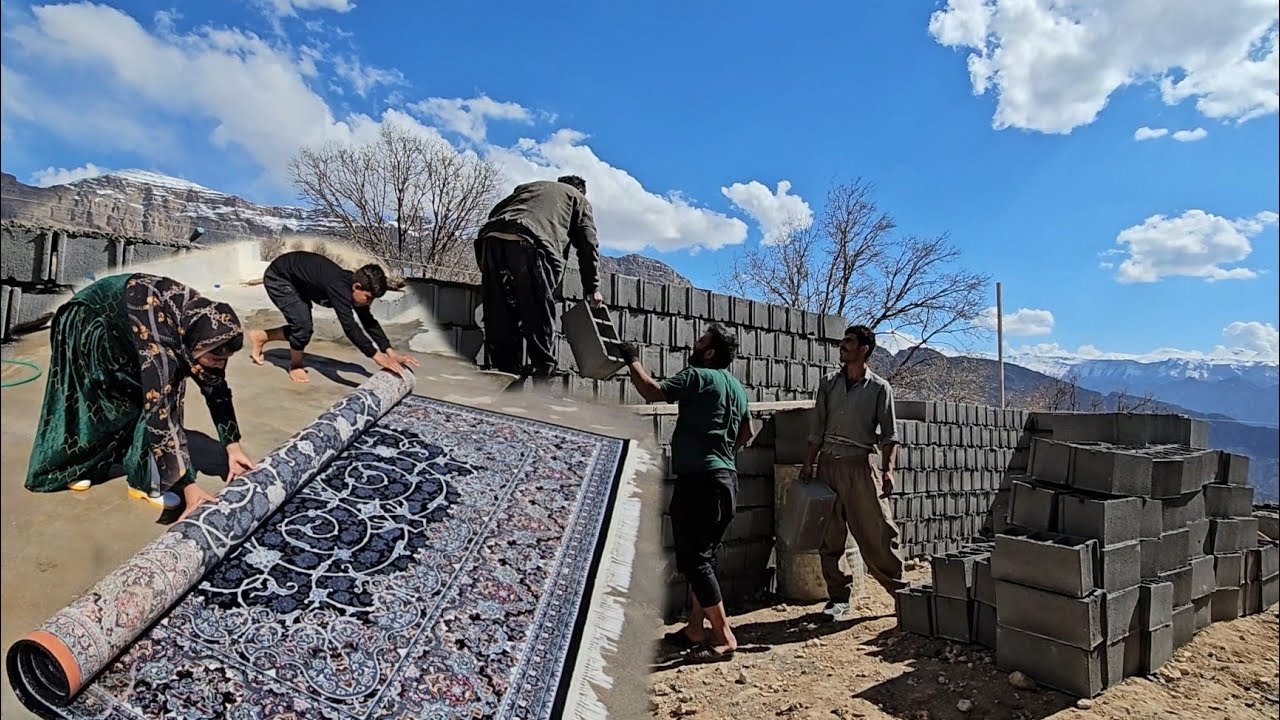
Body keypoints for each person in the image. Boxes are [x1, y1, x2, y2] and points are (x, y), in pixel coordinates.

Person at [26, 273, 257, 521]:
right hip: (90, 318)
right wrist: (189, 485)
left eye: (225, 361)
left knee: (147, 394)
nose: (220, 367)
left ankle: (145, 478)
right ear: (194, 345)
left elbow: (216, 387)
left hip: (131, 325)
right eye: (215, 358)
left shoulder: (199, 325)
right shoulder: (162, 343)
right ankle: (71, 466)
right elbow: (161, 409)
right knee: (93, 400)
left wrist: (232, 448)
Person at [620, 325, 754, 664]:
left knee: (694, 561)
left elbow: (652, 391)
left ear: (709, 353)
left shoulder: (697, 375)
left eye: (700, 342)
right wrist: (720, 454)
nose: (693, 346)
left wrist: (631, 359)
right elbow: (748, 432)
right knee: (703, 560)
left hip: (699, 483)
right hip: (725, 481)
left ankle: (723, 636)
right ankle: (696, 628)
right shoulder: (736, 387)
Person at [799, 324, 906, 620]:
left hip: (860, 467)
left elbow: (889, 435)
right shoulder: (829, 384)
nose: (842, 346)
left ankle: (903, 595)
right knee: (830, 535)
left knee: (878, 531)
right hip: (828, 465)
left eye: (849, 342)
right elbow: (816, 429)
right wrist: (809, 463)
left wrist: (888, 471)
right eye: (843, 341)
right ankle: (838, 599)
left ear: (864, 349)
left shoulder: (879, 388)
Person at [474, 175, 603, 381]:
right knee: (538, 311)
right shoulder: (578, 198)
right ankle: (542, 376)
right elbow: (588, 245)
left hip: (491, 240)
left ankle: (507, 373)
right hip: (530, 242)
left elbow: (495, 212)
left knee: (499, 313)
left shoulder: (530, 187)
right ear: (581, 190)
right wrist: (592, 288)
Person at [248, 251, 419, 382]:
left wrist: (389, 351)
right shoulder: (338, 287)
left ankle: (260, 336)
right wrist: (376, 356)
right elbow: (350, 327)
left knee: (301, 326)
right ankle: (295, 366)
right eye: (368, 297)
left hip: (299, 281)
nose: (369, 302)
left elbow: (368, 322)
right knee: (303, 326)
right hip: (279, 278)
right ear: (357, 286)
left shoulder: (353, 290)